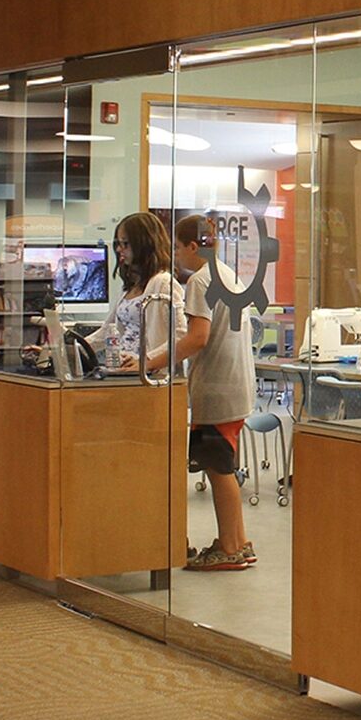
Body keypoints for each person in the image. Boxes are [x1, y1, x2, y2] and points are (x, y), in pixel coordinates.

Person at [145, 214, 257, 572]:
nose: (175, 254)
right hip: (236, 385)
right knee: (222, 464)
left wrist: (150, 362)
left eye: (178, 247)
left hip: (218, 390)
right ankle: (237, 542)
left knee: (217, 468)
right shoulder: (227, 274)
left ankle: (228, 547)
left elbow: (197, 337)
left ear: (193, 247)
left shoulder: (200, 280)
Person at [93, 212, 186, 375]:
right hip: (125, 371)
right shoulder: (130, 286)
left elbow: (180, 335)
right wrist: (69, 349)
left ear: (144, 244)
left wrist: (147, 360)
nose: (119, 249)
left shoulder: (163, 283)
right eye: (118, 243)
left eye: (125, 244)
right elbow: (106, 331)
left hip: (149, 374)